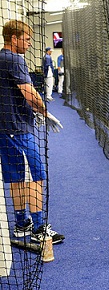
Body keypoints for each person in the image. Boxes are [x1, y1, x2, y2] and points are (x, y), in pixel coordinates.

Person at [0, 20, 65, 244]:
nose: (29, 43)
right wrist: (44, 112)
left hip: (5, 130)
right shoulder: (14, 59)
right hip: (19, 131)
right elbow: (29, 92)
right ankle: (38, 229)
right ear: (14, 38)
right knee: (36, 177)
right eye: (26, 39)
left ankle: (21, 224)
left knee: (17, 179)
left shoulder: (1, 57)